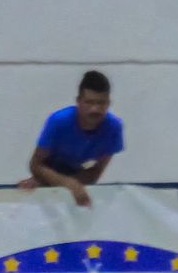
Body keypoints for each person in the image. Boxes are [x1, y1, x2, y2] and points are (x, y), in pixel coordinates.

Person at [21, 70, 123, 208]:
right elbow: (35, 165)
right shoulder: (58, 122)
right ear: (78, 102)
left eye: (101, 103)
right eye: (89, 102)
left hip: (67, 178)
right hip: (47, 177)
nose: (95, 109)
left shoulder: (114, 128)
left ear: (109, 103)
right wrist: (67, 184)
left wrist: (70, 185)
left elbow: (96, 171)